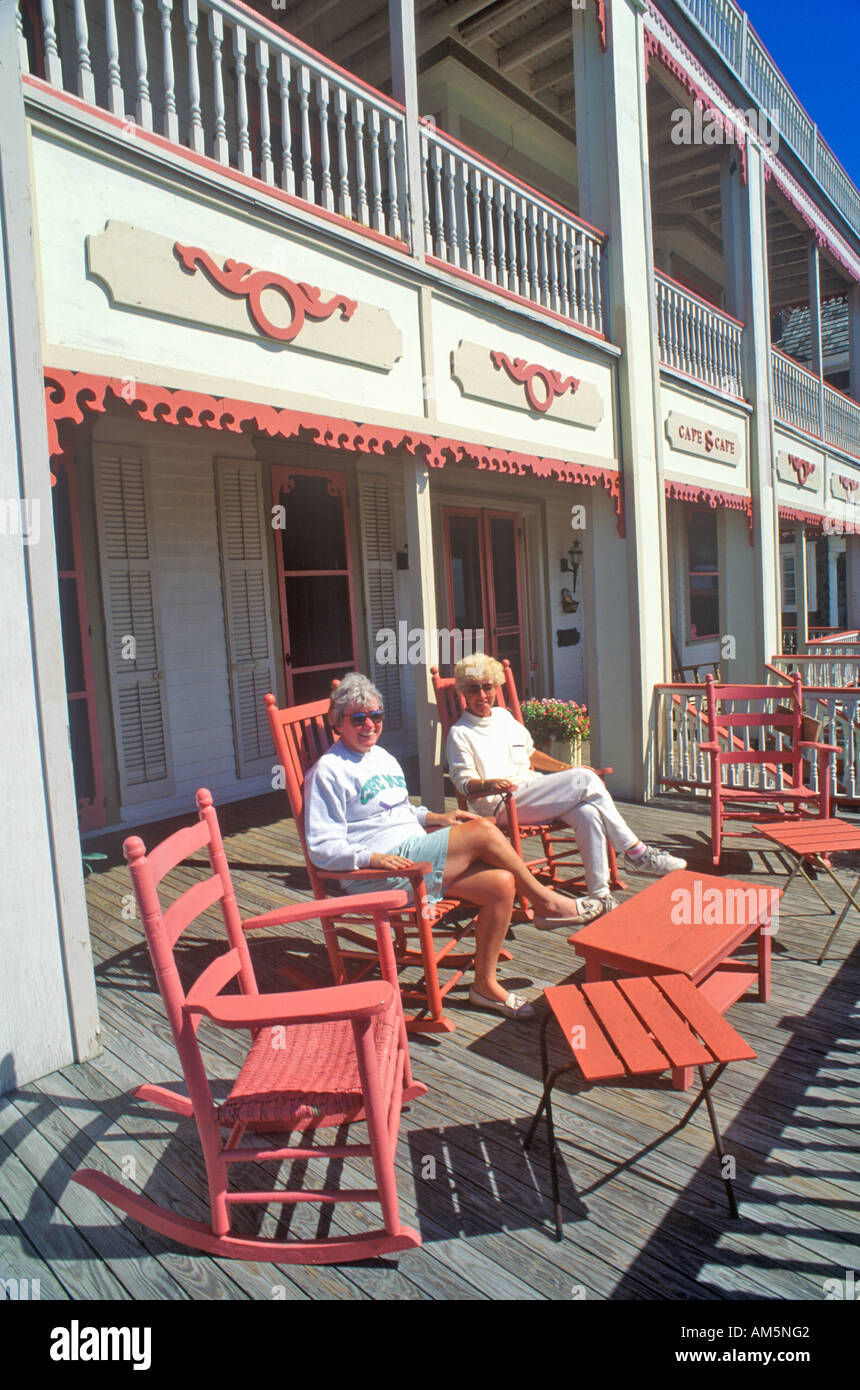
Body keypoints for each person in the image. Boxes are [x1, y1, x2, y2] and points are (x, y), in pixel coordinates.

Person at [304, 672, 605, 1020]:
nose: (369, 724)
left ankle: (484, 987)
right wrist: (372, 857)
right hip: (376, 876)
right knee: (482, 831)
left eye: (376, 716)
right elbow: (321, 847)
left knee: (501, 885)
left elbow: (400, 810)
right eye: (358, 718)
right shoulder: (327, 771)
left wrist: (435, 817)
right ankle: (546, 902)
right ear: (336, 723)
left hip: (417, 858)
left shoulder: (382, 757)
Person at [446, 654, 686, 907]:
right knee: (585, 779)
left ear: (496, 687)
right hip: (502, 803)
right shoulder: (460, 733)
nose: (482, 695)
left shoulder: (504, 718)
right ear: (464, 692)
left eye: (487, 687)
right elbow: (463, 782)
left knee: (588, 812)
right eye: (474, 689)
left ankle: (599, 894)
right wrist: (489, 783)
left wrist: (568, 768)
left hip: (530, 791)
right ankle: (636, 852)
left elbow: (530, 753)